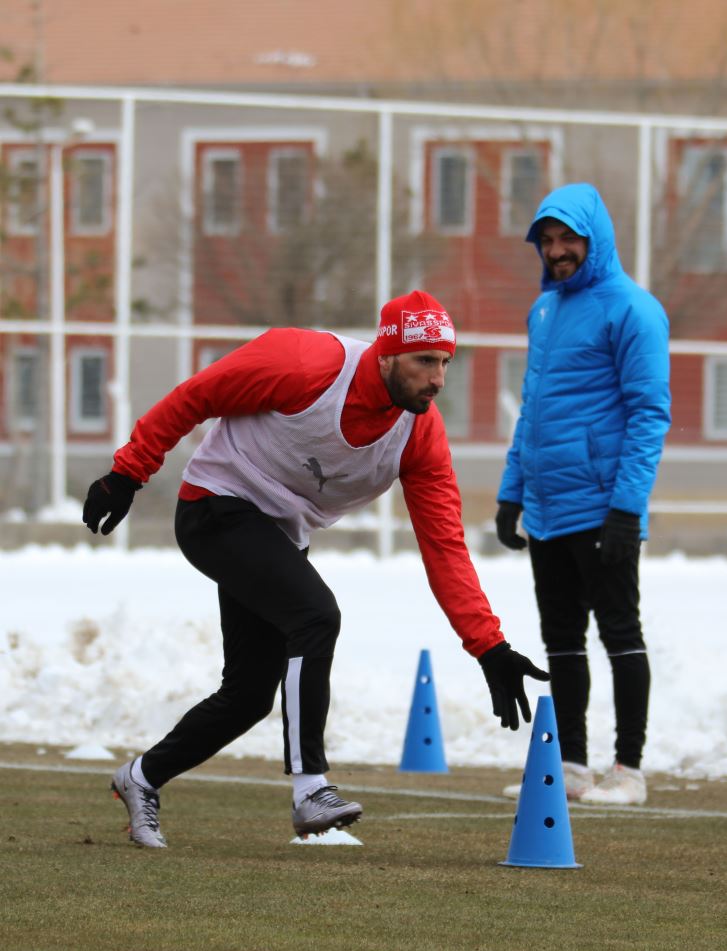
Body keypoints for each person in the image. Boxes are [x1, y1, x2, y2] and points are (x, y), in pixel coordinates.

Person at [82, 290, 549, 848]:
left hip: (278, 535)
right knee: (316, 616)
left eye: (446, 362)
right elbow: (196, 395)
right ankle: (310, 789)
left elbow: (445, 547)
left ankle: (140, 777)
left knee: (249, 696)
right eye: (425, 360)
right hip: (215, 505)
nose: (438, 378)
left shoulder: (420, 435)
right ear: (386, 354)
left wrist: (489, 647)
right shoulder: (305, 363)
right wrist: (128, 473)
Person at [495, 184, 671, 806]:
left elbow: (649, 415)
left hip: (602, 508)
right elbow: (532, 411)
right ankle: (571, 765)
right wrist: (512, 493)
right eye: (547, 240)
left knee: (620, 634)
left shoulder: (634, 309)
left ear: (595, 239)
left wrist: (627, 506)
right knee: (562, 641)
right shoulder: (543, 311)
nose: (556, 250)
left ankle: (628, 771)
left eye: (568, 238)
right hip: (547, 510)